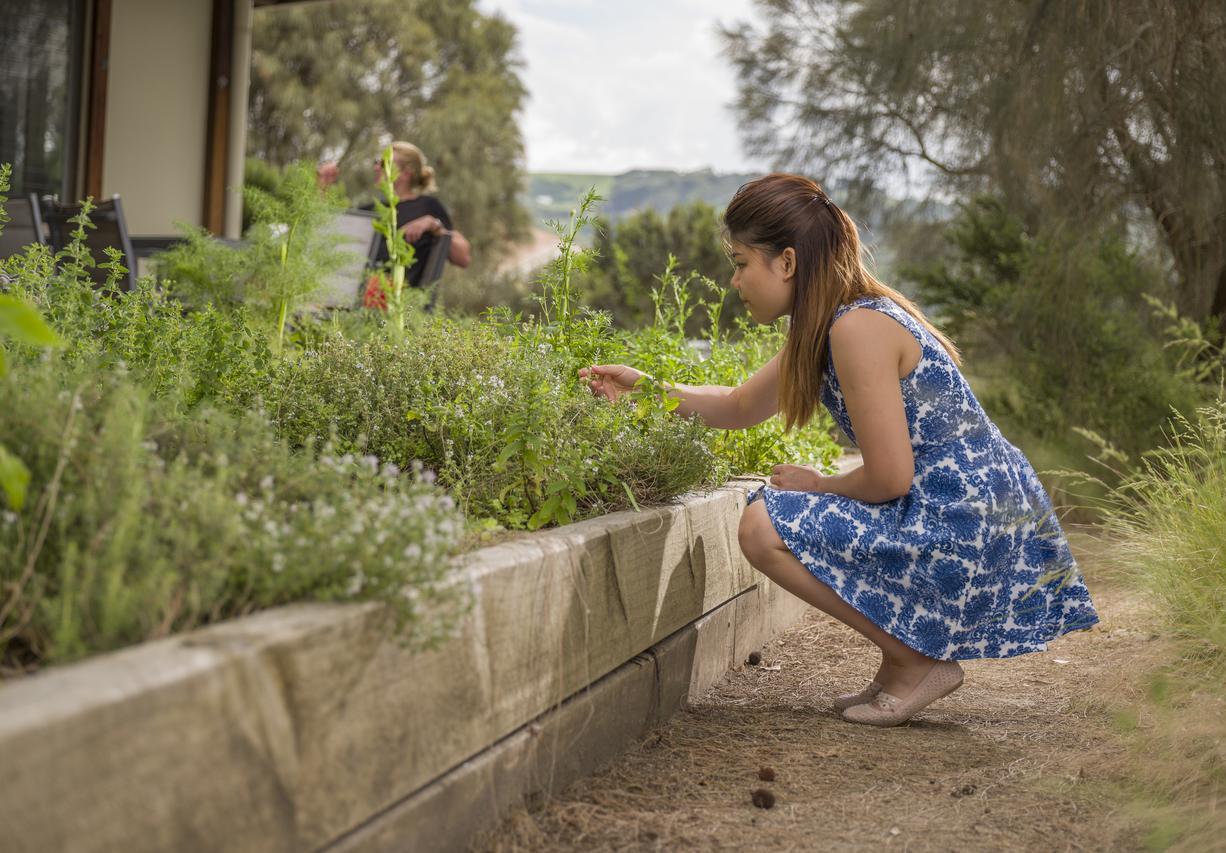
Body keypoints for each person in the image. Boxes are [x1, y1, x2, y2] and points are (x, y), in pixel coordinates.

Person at [580, 173, 1099, 727]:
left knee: (762, 525)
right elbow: (736, 408)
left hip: (963, 516)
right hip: (961, 505)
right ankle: (902, 660)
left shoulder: (857, 327)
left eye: (739, 262)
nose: (734, 280)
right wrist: (646, 391)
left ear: (785, 262)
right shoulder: (832, 322)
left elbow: (891, 478)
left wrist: (820, 484)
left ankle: (913, 662)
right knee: (771, 518)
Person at [318, 141, 471, 305]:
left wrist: (434, 225)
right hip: (357, 292)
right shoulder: (374, 209)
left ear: (406, 173)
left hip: (397, 298)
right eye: (376, 162)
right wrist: (323, 187)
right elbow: (327, 230)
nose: (376, 168)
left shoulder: (427, 206)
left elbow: (462, 258)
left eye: (383, 163)